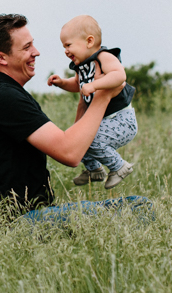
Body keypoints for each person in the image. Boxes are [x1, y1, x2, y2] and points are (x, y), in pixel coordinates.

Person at [0, 14, 150, 222]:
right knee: (139, 207)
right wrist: (105, 94)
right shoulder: (3, 97)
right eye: (27, 47)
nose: (36, 52)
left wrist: (85, 100)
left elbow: (72, 142)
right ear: (1, 58)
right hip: (20, 221)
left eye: (33, 45)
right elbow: (70, 152)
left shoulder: (5, 93)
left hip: (34, 213)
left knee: (133, 207)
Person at [47, 15, 137, 189]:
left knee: (92, 140)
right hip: (105, 119)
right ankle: (94, 170)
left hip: (121, 119)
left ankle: (119, 167)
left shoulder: (103, 57)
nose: (65, 50)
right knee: (80, 138)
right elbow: (78, 84)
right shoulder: (82, 65)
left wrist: (95, 85)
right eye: (63, 46)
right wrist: (62, 83)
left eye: (68, 45)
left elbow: (119, 76)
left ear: (89, 41)